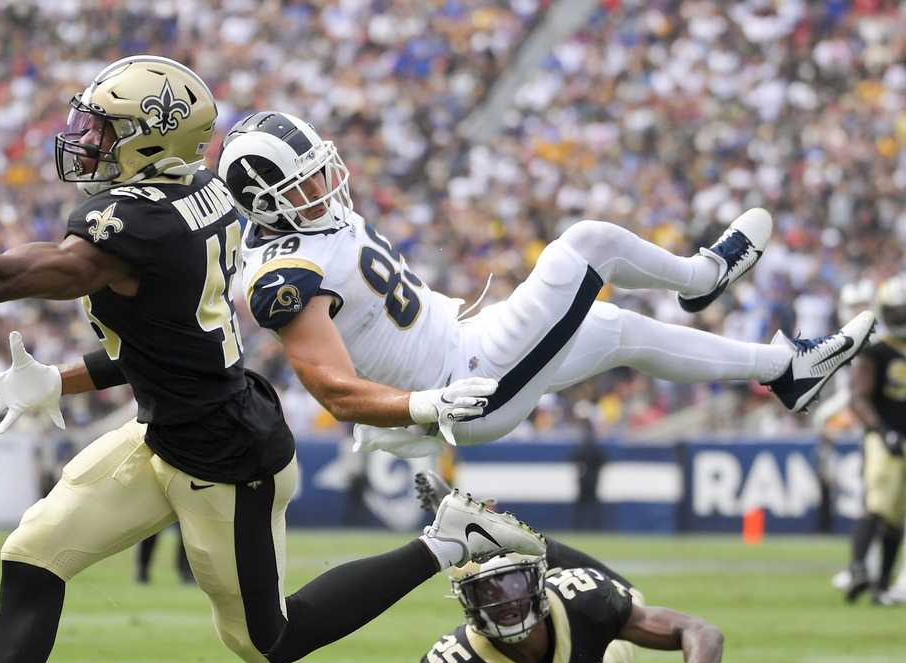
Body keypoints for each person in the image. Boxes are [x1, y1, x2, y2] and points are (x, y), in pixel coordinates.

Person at [0, 56, 544, 663]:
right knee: (31, 556)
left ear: (153, 141)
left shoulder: (134, 226)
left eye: (103, 128)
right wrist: (61, 378)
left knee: (266, 644)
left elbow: (7, 279)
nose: (83, 137)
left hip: (225, 455)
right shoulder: (201, 189)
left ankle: (449, 537)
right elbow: (171, 339)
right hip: (170, 427)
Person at [218, 111, 874, 455]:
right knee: (587, 244)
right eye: (304, 179)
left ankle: (788, 367)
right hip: (465, 384)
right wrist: (420, 412)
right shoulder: (283, 276)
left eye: (318, 166)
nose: (325, 181)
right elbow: (333, 390)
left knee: (619, 331)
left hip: (465, 342)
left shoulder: (309, 223)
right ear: (267, 201)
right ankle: (703, 277)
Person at [415, 471, 724, 663]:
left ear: (540, 583)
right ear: (466, 600)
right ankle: (484, 529)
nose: (505, 600)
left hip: (596, 649)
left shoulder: (581, 601)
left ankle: (491, 529)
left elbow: (700, 630)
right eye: (487, 591)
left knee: (628, 599)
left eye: (513, 584)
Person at [841, 274, 906, 605]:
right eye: (896, 311)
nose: (900, 319)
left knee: (896, 516)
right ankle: (856, 568)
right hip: (884, 438)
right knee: (877, 503)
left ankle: (881, 585)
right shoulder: (877, 352)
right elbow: (859, 397)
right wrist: (883, 432)